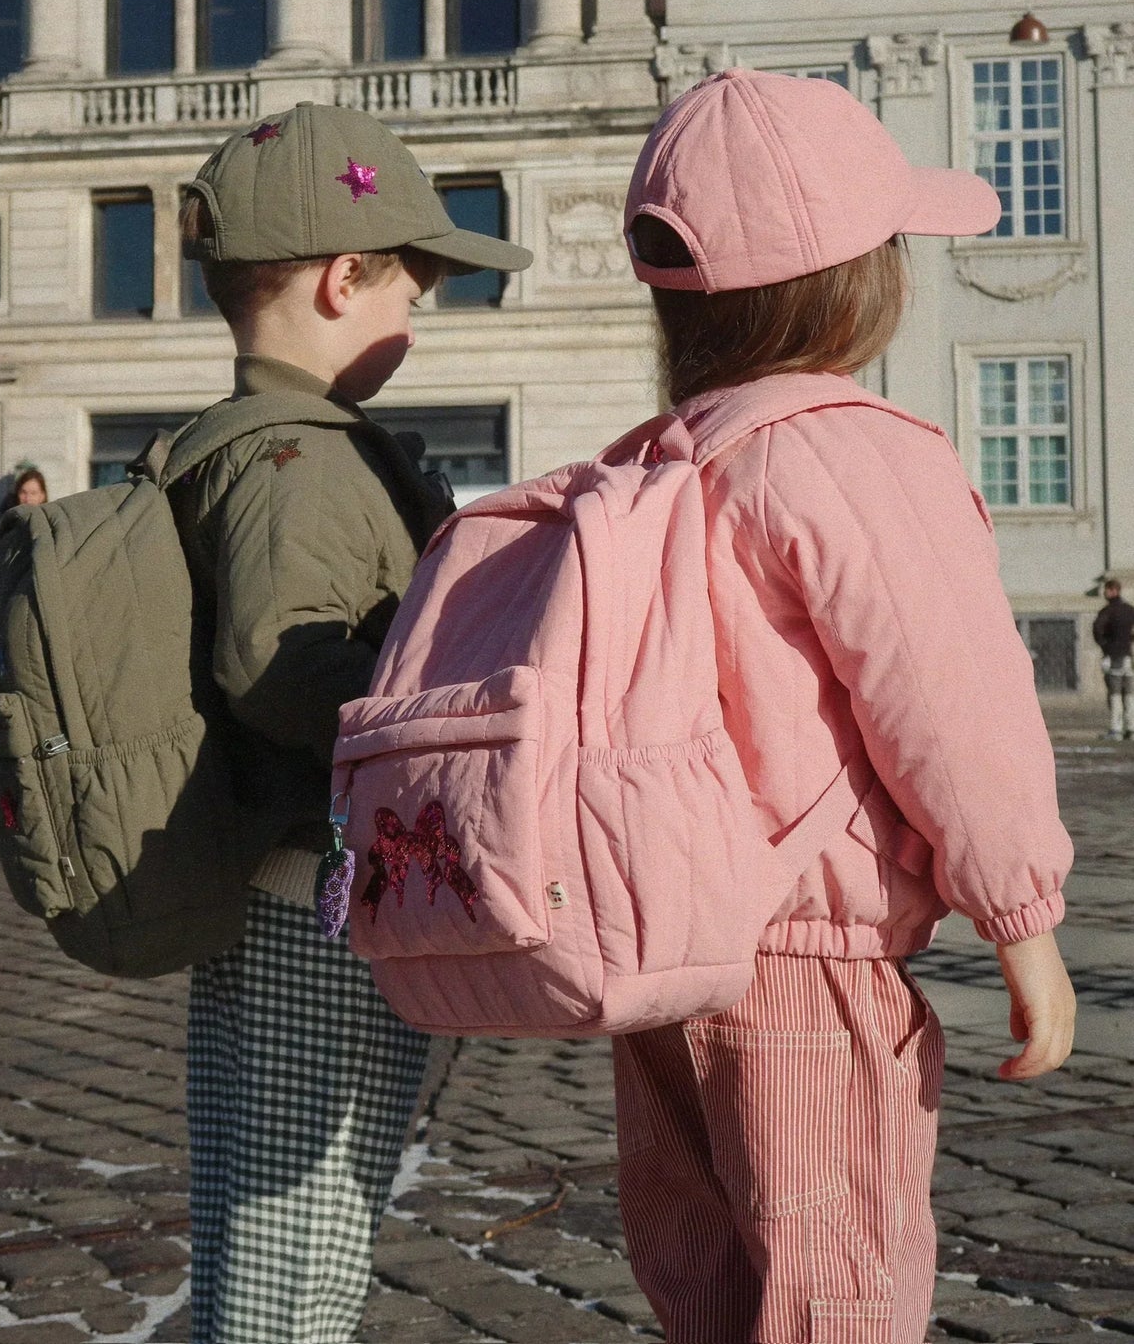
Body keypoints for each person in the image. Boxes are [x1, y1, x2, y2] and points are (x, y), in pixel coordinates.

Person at [611, 70, 1076, 1344]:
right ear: (858, 280)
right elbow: (949, 707)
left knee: (703, 1284)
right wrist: (1020, 919)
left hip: (663, 955)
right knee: (839, 1288)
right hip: (806, 960)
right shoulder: (851, 449)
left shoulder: (657, 456)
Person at [172, 101, 531, 1344]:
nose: (416, 316)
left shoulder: (280, 443)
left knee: (286, 1246)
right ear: (339, 281)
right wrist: (449, 715)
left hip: (292, 903)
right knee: (292, 1268)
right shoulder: (303, 460)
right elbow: (280, 665)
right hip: (306, 916)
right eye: (410, 290)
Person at [1092, 576, 1134, 738]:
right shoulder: (1130, 610)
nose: (1105, 593)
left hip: (1113, 656)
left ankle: (1116, 728)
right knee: (1130, 694)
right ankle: (1131, 729)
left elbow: (1097, 630)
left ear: (1113, 591)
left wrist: (1105, 646)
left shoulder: (1107, 612)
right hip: (1129, 657)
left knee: (1115, 694)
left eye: (1107, 590)